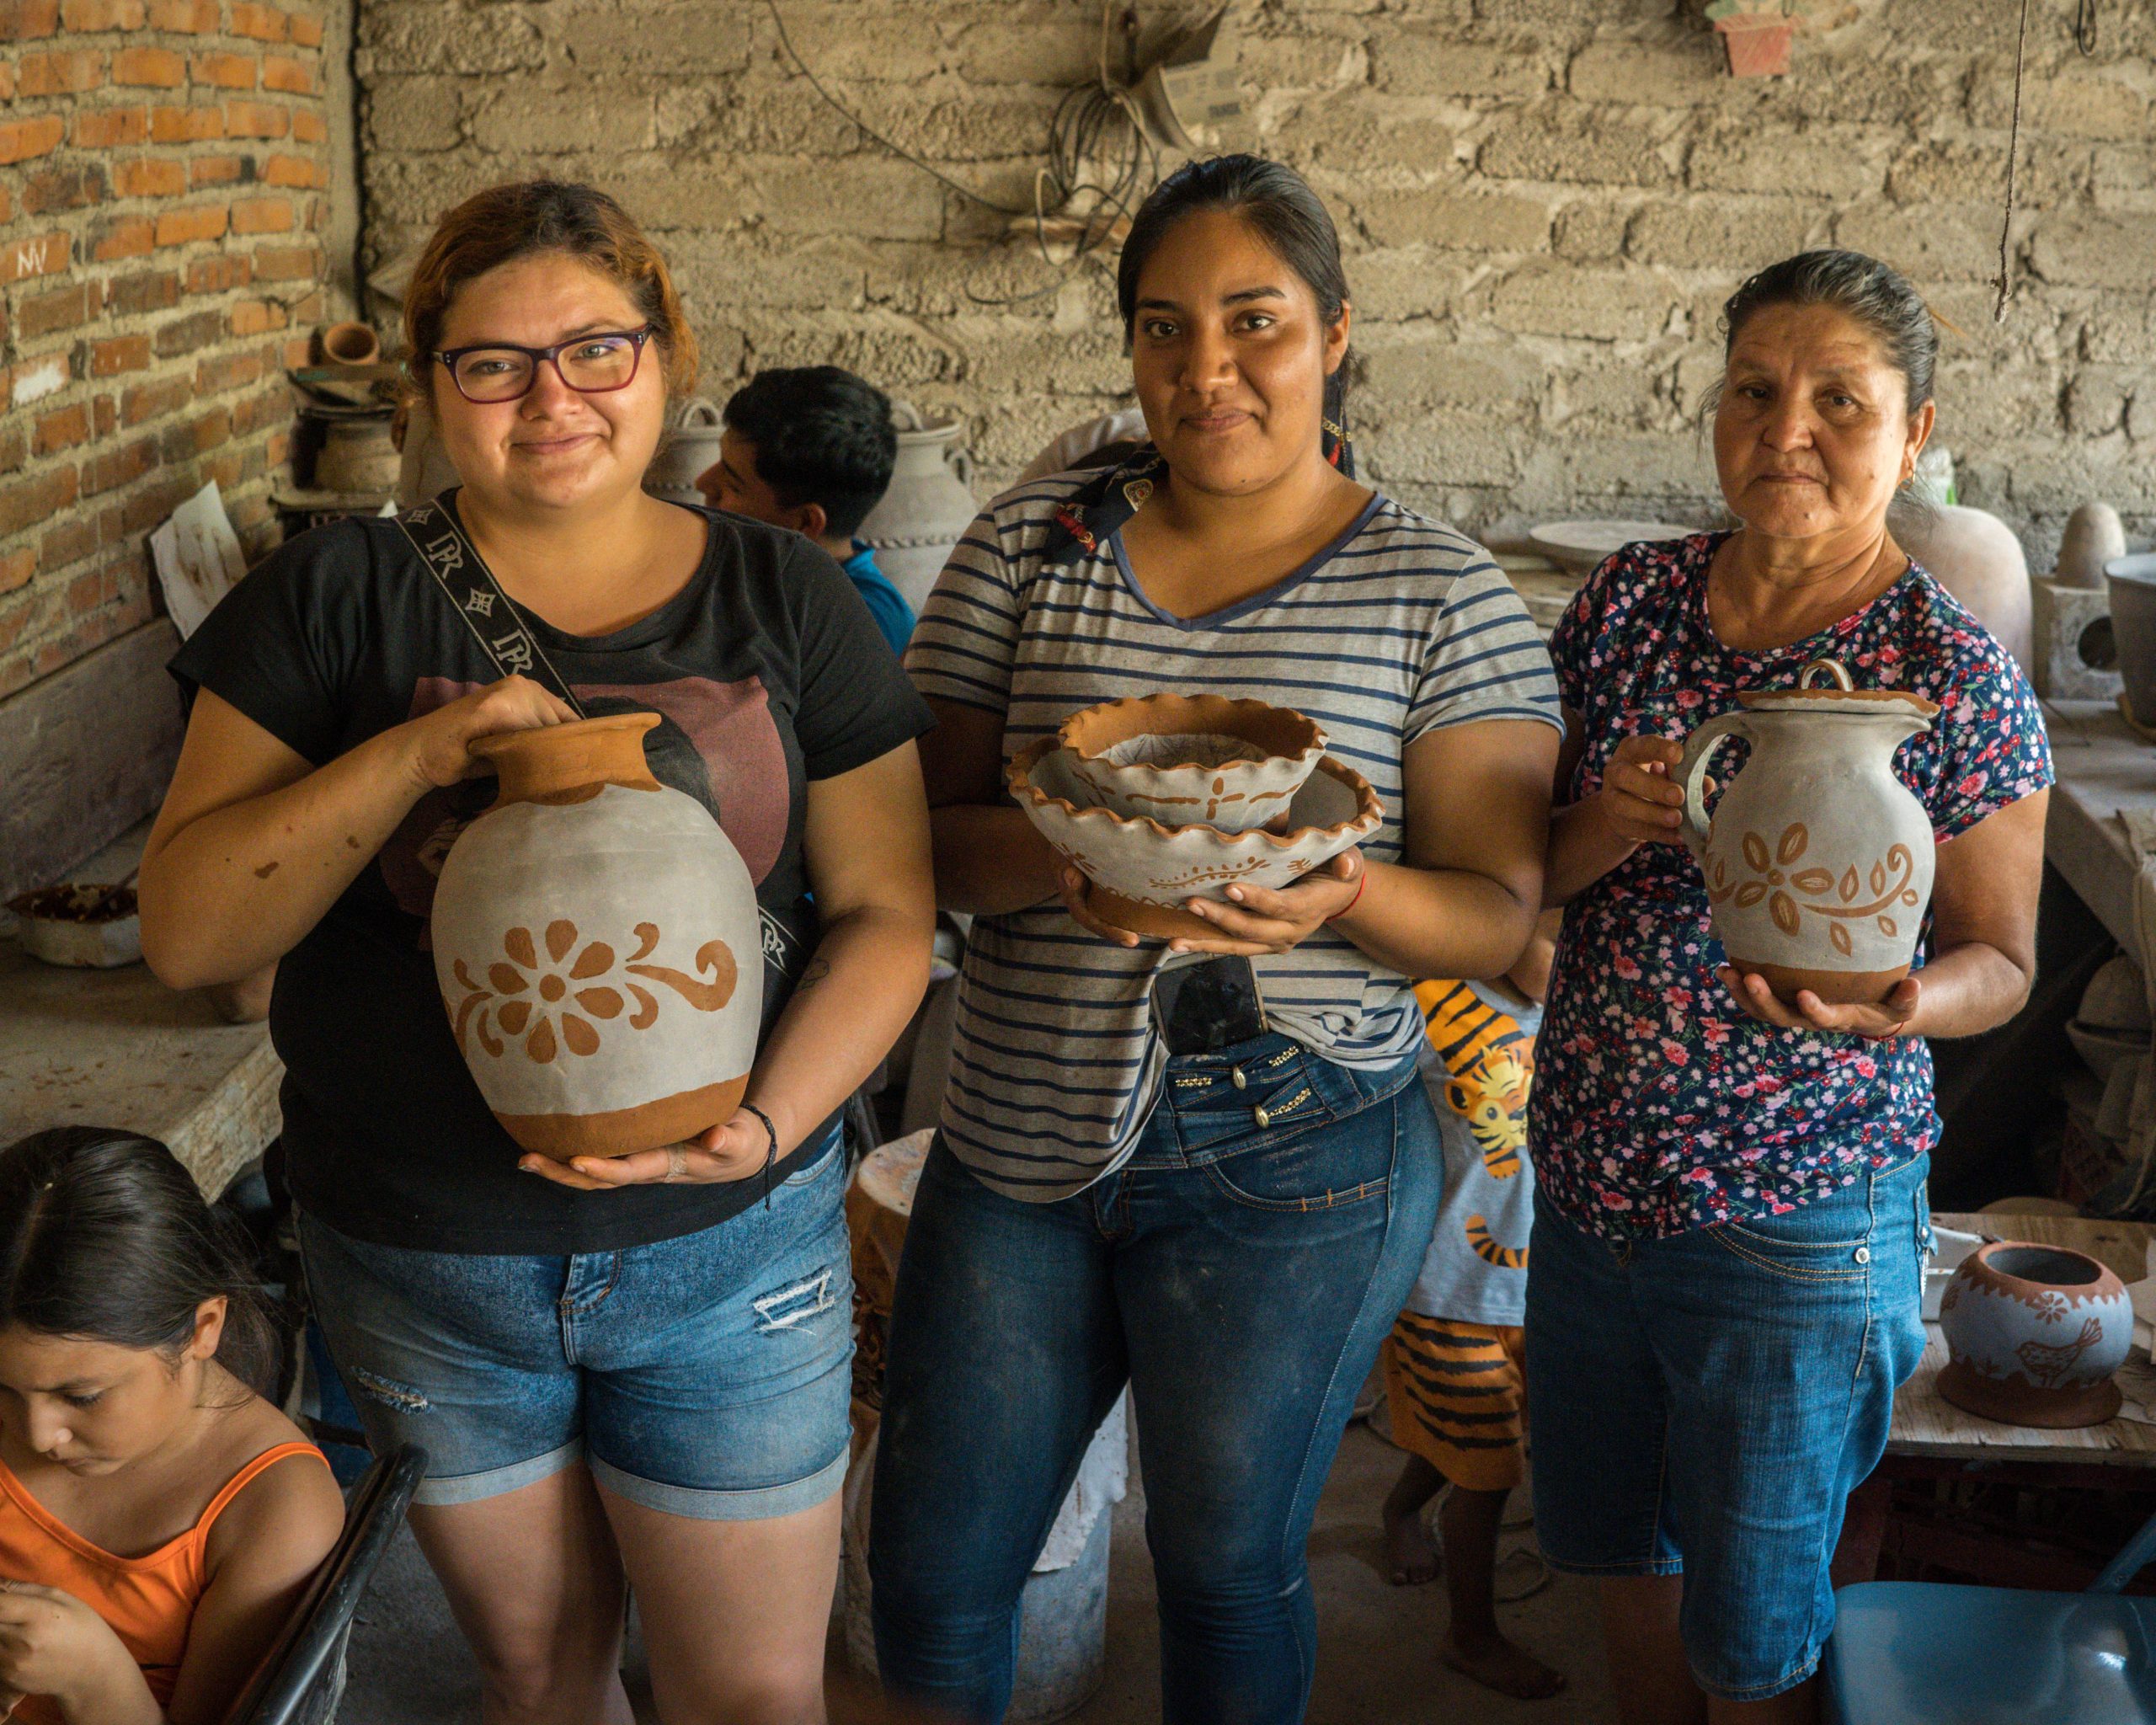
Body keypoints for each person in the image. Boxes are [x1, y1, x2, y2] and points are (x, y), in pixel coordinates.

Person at [138, 181, 936, 1725]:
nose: (551, 399)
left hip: (735, 1253)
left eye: (595, 350)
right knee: (539, 1678)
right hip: (428, 1260)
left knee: (753, 1697)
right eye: (494, 363)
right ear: (433, 385)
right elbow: (188, 935)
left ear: (665, 356)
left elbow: (890, 914)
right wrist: (419, 754)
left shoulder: (787, 595)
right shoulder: (332, 596)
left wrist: (765, 1127)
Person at [870, 154, 1562, 1725]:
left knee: (1225, 1571)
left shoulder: (1437, 591)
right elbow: (913, 841)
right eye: (1164, 327)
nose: (1207, 369)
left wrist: (1343, 896)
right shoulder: (1032, 547)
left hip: (1298, 1154)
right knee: (932, 1574)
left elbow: (1491, 912)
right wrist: (1086, 852)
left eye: (1256, 321)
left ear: (1334, 331)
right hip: (1021, 1129)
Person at [1527, 249, 2052, 1722]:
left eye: (1841, 402)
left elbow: (2004, 961)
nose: (1787, 431)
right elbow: (1525, 875)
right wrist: (1606, 821)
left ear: (1916, 431)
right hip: (1589, 1181)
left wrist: (1902, 1006)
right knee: (1621, 1558)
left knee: (1754, 1625)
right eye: (1755, 392)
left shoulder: (1948, 670)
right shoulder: (1629, 604)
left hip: (1796, 1208)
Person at [0, 1128, 344, 1725]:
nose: (36, 1435)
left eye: (82, 1397)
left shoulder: (274, 1509)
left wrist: (92, 1676)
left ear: (202, 1328)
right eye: (3, 1390)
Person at [1377, 912, 1564, 1702]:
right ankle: (1470, 1635)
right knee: (1488, 1473)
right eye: (1549, 932)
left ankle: (1398, 1511)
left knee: (1479, 1439)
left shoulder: (1594, 1000)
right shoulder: (1427, 990)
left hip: (1548, 1285)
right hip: (1446, 1287)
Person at [696, 365, 916, 655]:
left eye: (733, 484)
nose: (703, 483)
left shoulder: (857, 626)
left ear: (804, 523)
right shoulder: (764, 578)